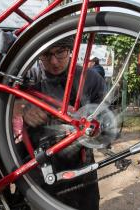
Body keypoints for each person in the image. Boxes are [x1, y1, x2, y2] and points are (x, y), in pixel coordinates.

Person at [20, 37, 106, 210]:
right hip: (40, 163)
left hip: (81, 162)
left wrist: (100, 129)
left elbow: (110, 119)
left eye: (60, 52)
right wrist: (21, 107)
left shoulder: (90, 79)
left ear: (70, 50)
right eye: (46, 54)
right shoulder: (28, 78)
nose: (53, 61)